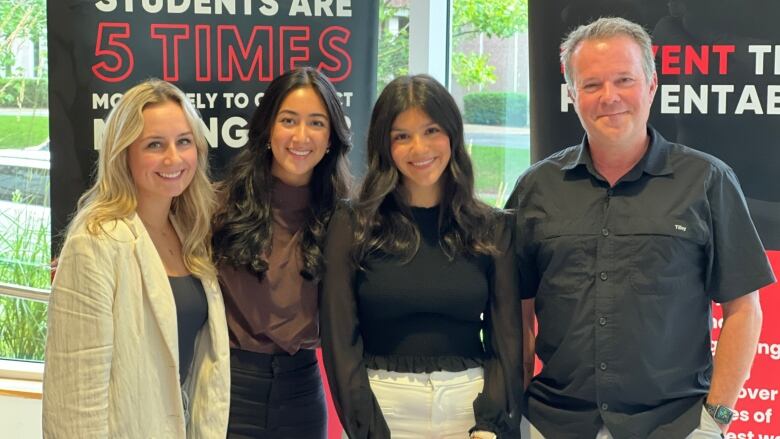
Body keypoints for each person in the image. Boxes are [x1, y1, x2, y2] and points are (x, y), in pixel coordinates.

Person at [506, 17, 775, 439]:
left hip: (675, 426)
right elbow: (515, 313)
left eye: (624, 80)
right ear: (573, 95)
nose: (609, 97)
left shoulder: (707, 181)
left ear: (651, 86)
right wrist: (513, 408)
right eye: (591, 85)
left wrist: (716, 419)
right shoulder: (535, 189)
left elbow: (744, 310)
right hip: (553, 424)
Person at [321, 74, 523, 439]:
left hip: (470, 411)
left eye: (431, 131)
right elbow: (339, 342)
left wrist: (490, 426)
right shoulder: (351, 225)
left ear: (452, 135)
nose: (419, 148)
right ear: (384, 145)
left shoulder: (492, 228)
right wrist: (369, 431)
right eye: (402, 136)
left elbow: (506, 341)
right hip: (384, 410)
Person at [42, 79, 230, 437]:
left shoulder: (188, 232)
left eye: (184, 142)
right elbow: (74, 398)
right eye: (154, 145)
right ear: (123, 153)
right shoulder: (96, 242)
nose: (173, 158)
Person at [211, 67, 352, 438]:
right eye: (288, 120)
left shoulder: (348, 219)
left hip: (303, 390)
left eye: (316, 123)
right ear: (268, 129)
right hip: (229, 388)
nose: (301, 136)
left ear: (331, 138)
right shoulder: (218, 206)